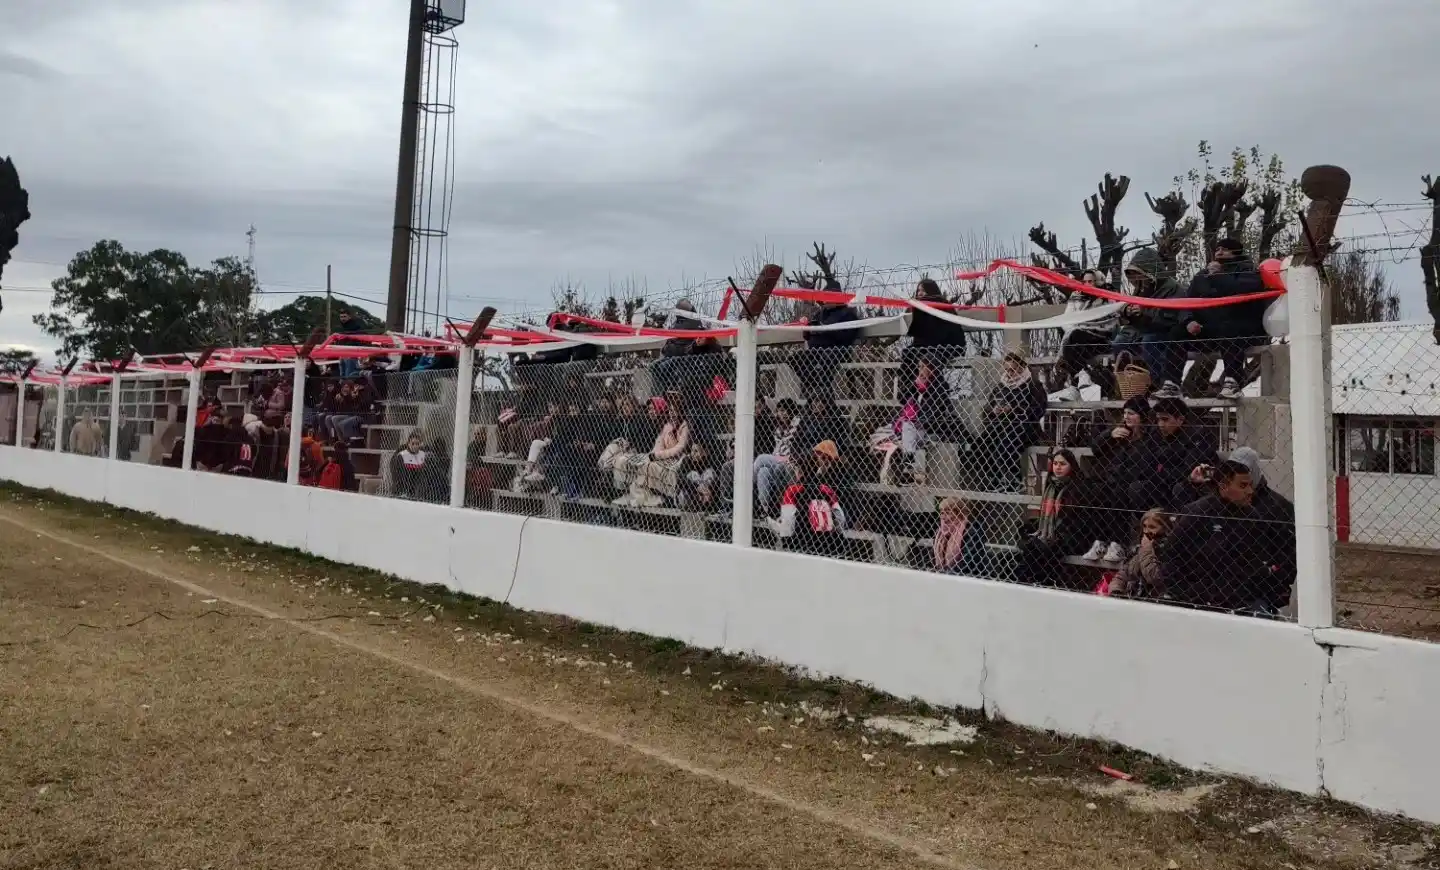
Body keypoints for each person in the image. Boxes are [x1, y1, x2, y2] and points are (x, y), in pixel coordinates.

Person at [1165, 460, 1288, 616]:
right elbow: (1171, 555)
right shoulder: (1197, 514)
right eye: (1243, 486)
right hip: (1199, 599)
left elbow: (1259, 563)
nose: (1250, 491)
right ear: (1223, 486)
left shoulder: (1253, 518)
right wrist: (1188, 594)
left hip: (1242, 600)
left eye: (1250, 485)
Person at [1172, 237, 1268, 398]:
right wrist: (1189, 320)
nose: (1219, 252)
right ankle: (1172, 385)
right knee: (1175, 332)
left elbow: (1240, 291)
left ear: (1236, 252)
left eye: (1225, 249)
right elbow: (1186, 302)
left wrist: (1218, 276)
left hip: (1242, 329)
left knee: (1229, 328)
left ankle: (1232, 382)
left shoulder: (1248, 271)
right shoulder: (1201, 276)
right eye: (1217, 249)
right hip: (1209, 330)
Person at [1083, 396, 1154, 563]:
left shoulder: (1150, 438)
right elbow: (1095, 449)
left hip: (1137, 482)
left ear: (1142, 416)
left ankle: (1119, 544)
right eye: (1124, 413)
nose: (1126, 417)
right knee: (1098, 489)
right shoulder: (1121, 433)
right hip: (1116, 479)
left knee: (1118, 490)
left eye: (1131, 413)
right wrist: (1109, 434)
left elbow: (1144, 466)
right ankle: (1101, 541)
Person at [1016, 449, 1102, 586]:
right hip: (1053, 532)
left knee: (1039, 548)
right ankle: (1033, 581)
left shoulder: (1080, 487)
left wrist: (1058, 534)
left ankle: (1035, 581)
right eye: (1055, 463)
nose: (1058, 467)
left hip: (1073, 535)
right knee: (1030, 543)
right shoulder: (1051, 485)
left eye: (1062, 464)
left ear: (1071, 466)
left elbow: (1081, 521)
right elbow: (1046, 516)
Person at [1125, 397, 1217, 517]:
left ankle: (1179, 526)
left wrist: (1160, 469)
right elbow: (1144, 464)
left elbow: (1189, 470)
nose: (1160, 424)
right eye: (1158, 419)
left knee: (1180, 488)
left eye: (1165, 419)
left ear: (1180, 420)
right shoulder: (1156, 434)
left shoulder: (1197, 435)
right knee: (1136, 488)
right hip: (1163, 484)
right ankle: (1149, 524)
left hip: (1192, 485)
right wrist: (1161, 470)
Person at [1113, 247, 1184, 398]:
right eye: (1133, 275)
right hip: (1139, 330)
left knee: (1149, 342)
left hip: (1162, 331)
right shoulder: (1141, 288)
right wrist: (1128, 311)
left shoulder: (1172, 287)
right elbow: (1128, 310)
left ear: (1149, 271)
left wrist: (1144, 311)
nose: (1136, 279)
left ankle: (1159, 383)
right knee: (1119, 342)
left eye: (1138, 274)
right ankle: (1132, 384)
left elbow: (1171, 316)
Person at [978, 352, 1047, 492]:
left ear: (1022, 367)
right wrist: (994, 410)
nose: (1010, 373)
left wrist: (1013, 409)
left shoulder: (1033, 384)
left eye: (1013, 369)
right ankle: (994, 479)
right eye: (1007, 369)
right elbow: (987, 410)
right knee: (983, 442)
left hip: (1024, 427)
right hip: (1001, 425)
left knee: (1004, 445)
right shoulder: (1001, 386)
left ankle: (1014, 480)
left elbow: (1038, 410)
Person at [1051, 269, 1119, 401]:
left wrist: (1083, 327)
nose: (1087, 284)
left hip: (1101, 337)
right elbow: (1067, 318)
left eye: (1091, 281)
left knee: (1073, 340)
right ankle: (1082, 376)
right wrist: (1078, 327)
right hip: (1078, 337)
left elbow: (1111, 320)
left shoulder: (1108, 295)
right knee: (1072, 336)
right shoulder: (1076, 296)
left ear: (1098, 281)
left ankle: (1076, 383)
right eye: (1085, 281)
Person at [767, 447, 848, 558]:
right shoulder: (827, 490)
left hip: (802, 545)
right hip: (829, 545)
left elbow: (788, 526)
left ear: (799, 471)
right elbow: (841, 519)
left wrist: (771, 523)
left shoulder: (793, 491)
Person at [902, 278, 967, 386]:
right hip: (927, 347)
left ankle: (934, 391)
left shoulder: (943, 306)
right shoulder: (919, 309)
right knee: (908, 353)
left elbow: (946, 333)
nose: (920, 293)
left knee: (928, 357)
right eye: (918, 291)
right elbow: (918, 336)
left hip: (947, 345)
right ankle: (909, 389)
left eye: (923, 290)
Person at [753, 398, 801, 517]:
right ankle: (764, 509)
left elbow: (796, 450)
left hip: (789, 459)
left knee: (760, 459)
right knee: (763, 472)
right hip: (777, 460)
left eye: (785, 410)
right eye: (779, 411)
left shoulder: (798, 426)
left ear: (792, 411)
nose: (782, 414)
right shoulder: (778, 428)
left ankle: (746, 487)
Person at [1107, 509, 1171, 599]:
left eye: (1152, 527)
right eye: (1144, 526)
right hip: (1133, 597)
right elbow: (1122, 575)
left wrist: (1146, 549)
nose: (1146, 531)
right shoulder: (1137, 549)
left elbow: (1153, 577)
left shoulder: (1168, 551)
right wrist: (1116, 590)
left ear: (1164, 528)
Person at [932, 496, 988, 576]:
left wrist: (945, 573)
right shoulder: (939, 533)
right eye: (941, 513)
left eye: (948, 513)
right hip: (944, 575)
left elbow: (969, 563)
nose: (943, 517)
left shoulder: (970, 532)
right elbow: (932, 559)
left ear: (959, 514)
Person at [389, 430, 436, 500]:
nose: (415, 446)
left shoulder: (424, 451)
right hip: (403, 480)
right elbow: (394, 466)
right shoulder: (402, 451)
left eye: (418, 443)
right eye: (413, 443)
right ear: (409, 442)